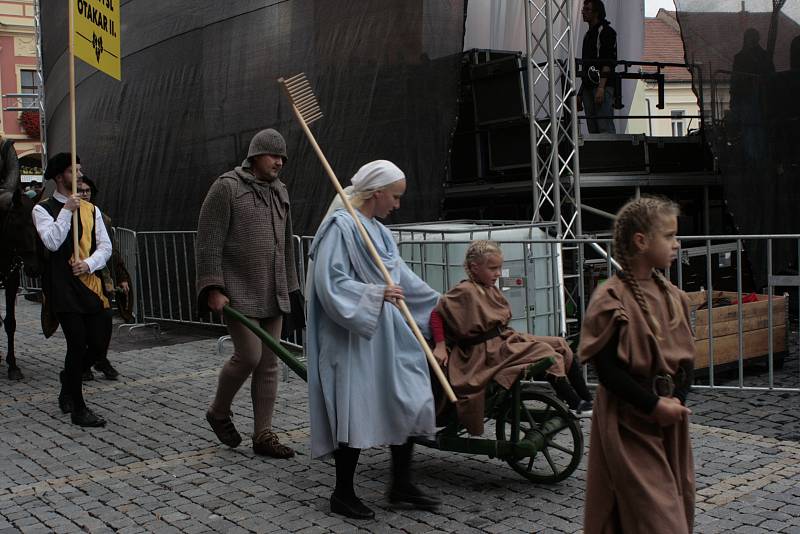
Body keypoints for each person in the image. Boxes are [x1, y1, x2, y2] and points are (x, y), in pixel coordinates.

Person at [306, 160, 441, 520]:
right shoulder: (341, 227)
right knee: (356, 408)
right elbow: (330, 282)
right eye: (395, 197)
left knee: (407, 398)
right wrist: (374, 294)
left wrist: (440, 303)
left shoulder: (379, 232)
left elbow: (401, 279)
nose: (397, 205)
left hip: (386, 335)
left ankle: (401, 483)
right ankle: (343, 494)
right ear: (377, 193)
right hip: (351, 338)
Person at [578, 196, 695, 534]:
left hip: (667, 420)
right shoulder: (611, 297)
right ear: (641, 241)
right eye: (669, 236)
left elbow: (686, 361)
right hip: (628, 420)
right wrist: (653, 404)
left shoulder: (673, 296)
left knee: (660, 509)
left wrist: (676, 401)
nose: (677, 243)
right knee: (659, 519)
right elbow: (608, 371)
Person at [196, 128, 299, 459]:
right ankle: (218, 410)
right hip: (239, 289)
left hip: (274, 290)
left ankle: (263, 434)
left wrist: (292, 286)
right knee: (249, 355)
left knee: (269, 364)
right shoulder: (227, 187)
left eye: (283, 157)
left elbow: (286, 243)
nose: (279, 162)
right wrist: (212, 287)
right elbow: (208, 240)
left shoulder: (280, 192)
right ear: (256, 155)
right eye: (274, 156)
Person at [430, 240, 592, 436]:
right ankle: (575, 403)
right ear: (474, 267)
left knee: (559, 343)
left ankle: (586, 399)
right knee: (544, 352)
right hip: (484, 351)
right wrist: (439, 345)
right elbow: (437, 313)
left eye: (499, 268)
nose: (498, 273)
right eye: (493, 268)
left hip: (503, 338)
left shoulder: (489, 287)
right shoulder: (465, 290)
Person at [33, 153, 112, 427]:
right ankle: (79, 408)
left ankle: (68, 378)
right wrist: (67, 209)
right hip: (63, 288)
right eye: (72, 171)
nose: (79, 175)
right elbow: (52, 242)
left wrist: (89, 264)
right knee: (76, 344)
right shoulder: (42, 209)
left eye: (80, 169)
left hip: (90, 285)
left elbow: (106, 247)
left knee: (99, 345)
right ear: (58, 177)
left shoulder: (92, 210)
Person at [72, 175, 130, 380]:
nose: (84, 194)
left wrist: (122, 276)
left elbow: (112, 251)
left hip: (101, 275)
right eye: (80, 191)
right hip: (77, 277)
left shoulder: (101, 217)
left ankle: (100, 359)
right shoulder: (67, 216)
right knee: (83, 326)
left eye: (87, 191)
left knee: (104, 324)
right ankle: (85, 364)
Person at [579, 0, 617, 134]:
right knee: (593, 128)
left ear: (596, 13)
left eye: (587, 9)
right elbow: (586, 67)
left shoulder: (607, 32)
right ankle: (600, 153)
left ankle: (610, 153)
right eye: (584, 8)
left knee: (604, 126)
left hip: (602, 86)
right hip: (589, 87)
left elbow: (608, 62)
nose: (583, 11)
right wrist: (581, 93)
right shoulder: (588, 35)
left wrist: (601, 87)